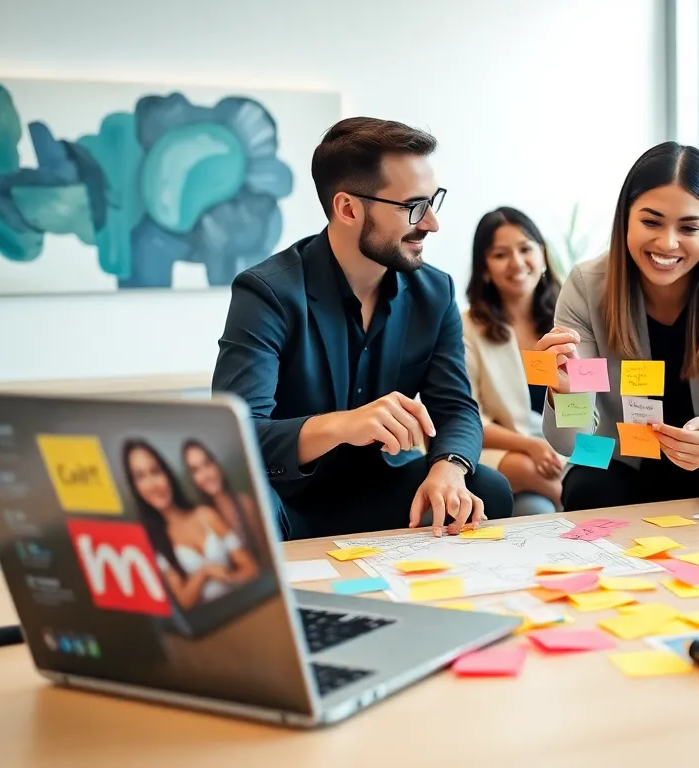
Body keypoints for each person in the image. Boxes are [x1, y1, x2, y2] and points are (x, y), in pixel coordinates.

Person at [213, 117, 512, 539]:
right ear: (348, 209)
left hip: (385, 491)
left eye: (433, 201)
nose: (431, 223)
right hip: (290, 505)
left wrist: (449, 467)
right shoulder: (266, 293)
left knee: (487, 487)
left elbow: (457, 408)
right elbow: (235, 434)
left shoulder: (435, 291)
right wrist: (343, 424)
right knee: (242, 510)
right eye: (413, 206)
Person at [535, 142, 699, 511]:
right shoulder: (588, 285)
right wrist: (566, 394)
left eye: (688, 227)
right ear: (625, 219)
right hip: (613, 454)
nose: (667, 243)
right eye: (650, 221)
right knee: (589, 486)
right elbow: (573, 441)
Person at [462, 207, 565, 515]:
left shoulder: (568, 320)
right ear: (484, 267)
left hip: (567, 446)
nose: (517, 263)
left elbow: (592, 404)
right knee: (526, 467)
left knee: (604, 464)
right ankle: (586, 516)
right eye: (500, 255)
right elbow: (465, 415)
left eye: (525, 249)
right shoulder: (467, 327)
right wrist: (529, 445)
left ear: (542, 255)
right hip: (504, 449)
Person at [124, 439, 258, 610]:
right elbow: (184, 601)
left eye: (156, 471)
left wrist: (231, 579)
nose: (153, 485)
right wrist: (204, 573)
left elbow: (250, 567)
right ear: (135, 488)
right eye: (141, 477)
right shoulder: (154, 544)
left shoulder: (205, 515)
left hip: (245, 609)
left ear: (167, 474)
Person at [182, 439, 261, 551]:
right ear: (192, 479)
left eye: (207, 464)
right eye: (196, 470)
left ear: (217, 465)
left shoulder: (245, 503)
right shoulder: (197, 519)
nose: (206, 475)